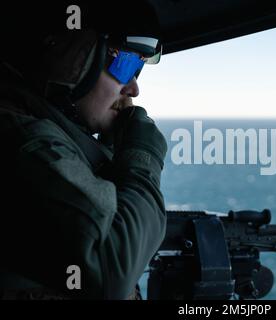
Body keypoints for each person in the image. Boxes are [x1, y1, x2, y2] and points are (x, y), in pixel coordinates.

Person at [0, 10, 167, 299]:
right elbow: (110, 272)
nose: (133, 88)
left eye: (137, 69)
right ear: (72, 61)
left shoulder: (44, 128)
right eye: (126, 65)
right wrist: (143, 156)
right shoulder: (23, 136)